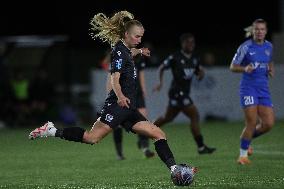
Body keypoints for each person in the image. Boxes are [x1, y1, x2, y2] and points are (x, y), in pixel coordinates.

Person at [29, 11, 193, 174]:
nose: (139, 40)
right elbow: (115, 78)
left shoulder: (126, 50)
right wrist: (121, 96)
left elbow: (131, 53)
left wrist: (140, 51)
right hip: (117, 106)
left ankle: (174, 169)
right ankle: (51, 130)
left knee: (158, 133)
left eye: (141, 37)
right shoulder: (119, 52)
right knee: (92, 138)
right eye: (137, 37)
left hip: (129, 109)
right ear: (127, 34)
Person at [153, 33, 216, 154]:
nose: (191, 44)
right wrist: (159, 82)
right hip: (177, 92)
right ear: (183, 44)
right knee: (195, 115)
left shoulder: (195, 58)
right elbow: (161, 67)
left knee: (168, 118)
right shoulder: (175, 57)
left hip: (184, 92)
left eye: (192, 42)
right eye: (188, 42)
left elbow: (198, 73)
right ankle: (201, 147)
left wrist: (201, 74)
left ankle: (147, 129)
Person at [230, 19, 274, 165]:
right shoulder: (246, 47)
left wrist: (270, 68)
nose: (259, 32)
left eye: (262, 29)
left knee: (268, 123)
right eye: (257, 29)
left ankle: (246, 140)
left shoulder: (269, 46)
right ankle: (242, 156)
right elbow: (232, 66)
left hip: (263, 89)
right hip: (248, 89)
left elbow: (269, 60)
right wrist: (244, 68)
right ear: (253, 31)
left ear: (266, 31)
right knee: (252, 122)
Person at [103, 49, 155, 160]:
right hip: (121, 95)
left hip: (137, 94)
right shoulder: (117, 59)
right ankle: (119, 153)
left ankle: (145, 148)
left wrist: (144, 90)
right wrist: (111, 97)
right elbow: (110, 79)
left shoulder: (138, 59)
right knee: (117, 124)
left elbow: (141, 76)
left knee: (143, 120)